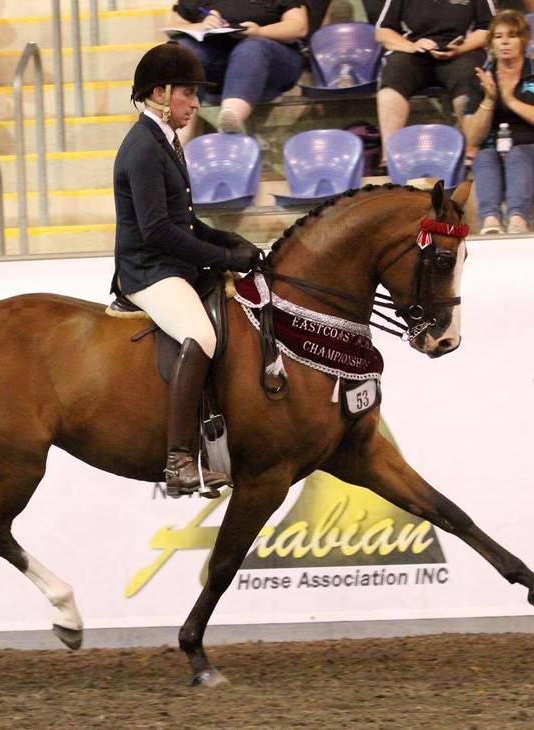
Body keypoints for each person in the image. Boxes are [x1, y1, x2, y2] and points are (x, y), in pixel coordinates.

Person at [113, 42, 262, 497]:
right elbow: (157, 230)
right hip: (149, 270)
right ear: (160, 93)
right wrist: (220, 258)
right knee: (202, 334)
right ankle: (179, 459)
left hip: (172, 261)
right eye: (187, 93)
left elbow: (185, 221)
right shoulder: (142, 147)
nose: (196, 103)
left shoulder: (166, 139)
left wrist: (227, 240)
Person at [464, 9, 534, 235]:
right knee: (483, 157)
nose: (504, 42)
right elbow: (472, 138)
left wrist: (510, 100)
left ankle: (518, 221)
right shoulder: (481, 79)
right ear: (491, 43)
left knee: (518, 154)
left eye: (512, 35)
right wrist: (489, 100)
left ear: (524, 40)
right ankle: (491, 222)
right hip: (498, 157)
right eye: (498, 36)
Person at [166, 0, 308, 140]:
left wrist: (260, 31)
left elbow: (298, 26)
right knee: (183, 51)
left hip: (270, 60)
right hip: (215, 63)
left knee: (251, 48)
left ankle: (231, 119)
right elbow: (174, 26)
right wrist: (200, 26)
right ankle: (177, 139)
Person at [375, 0, 495, 163]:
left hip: (461, 52)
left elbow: (489, 29)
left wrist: (461, 48)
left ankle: (470, 152)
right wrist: (412, 46)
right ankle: (390, 157)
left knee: (469, 77)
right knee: (393, 77)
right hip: (414, 51)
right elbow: (382, 32)